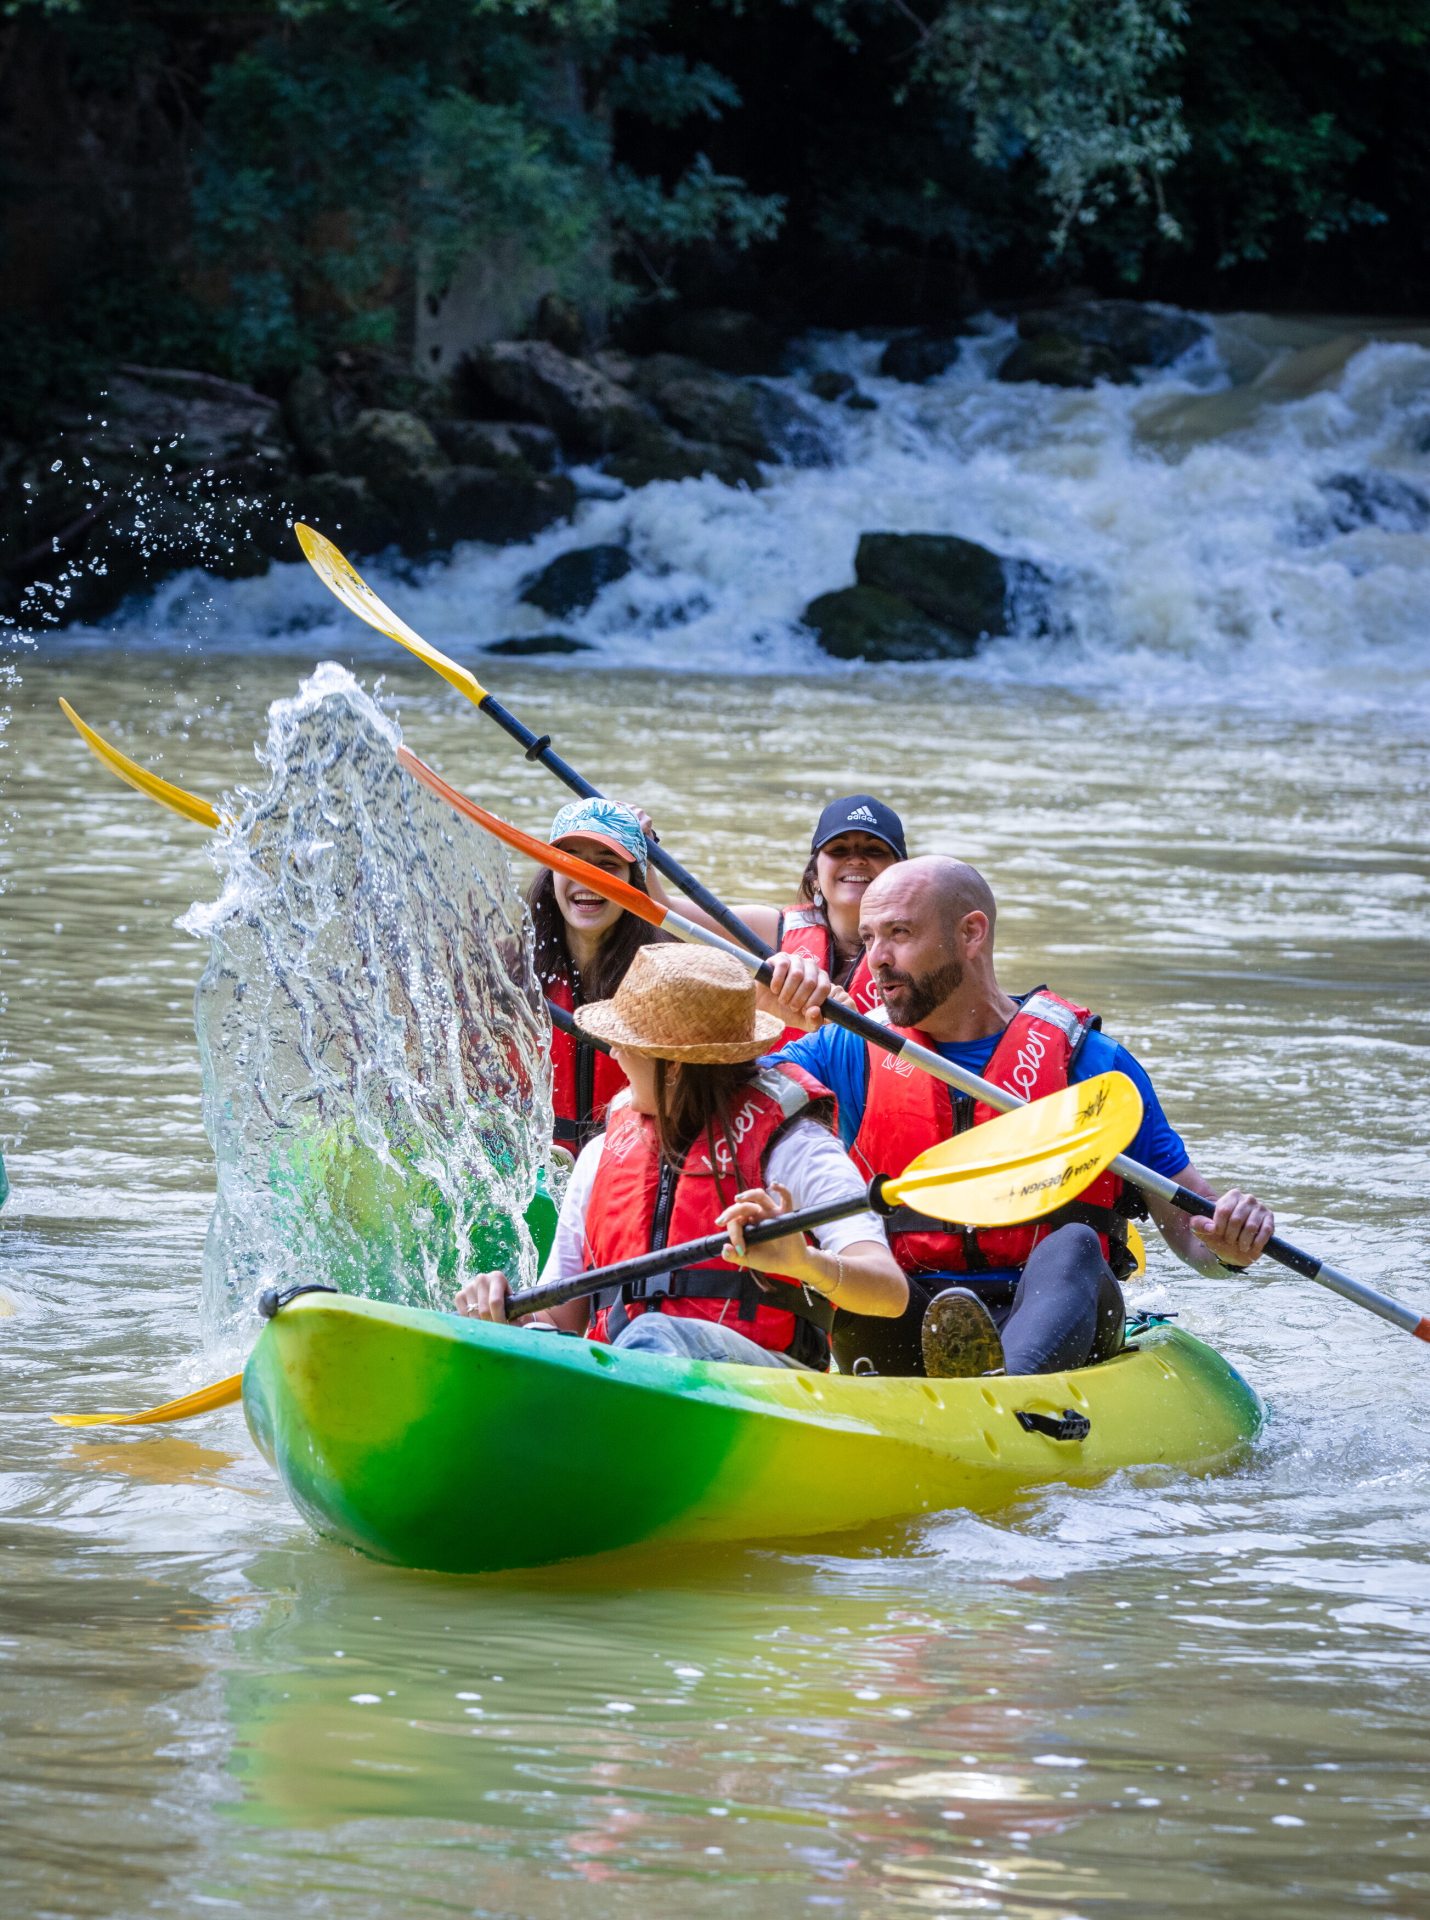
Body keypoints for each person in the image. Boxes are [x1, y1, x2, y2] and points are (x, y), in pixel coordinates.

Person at [762, 856, 1275, 1379]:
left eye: (899, 933)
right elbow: (716, 1094)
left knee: (1073, 1244)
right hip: (908, 1317)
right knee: (855, 1266)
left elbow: (1192, 1233)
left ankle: (1007, 1391)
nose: (877, 959)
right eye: (868, 938)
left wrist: (1230, 1242)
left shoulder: (1092, 1065)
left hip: (1058, 1319)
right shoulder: (847, 1048)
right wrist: (763, 1010)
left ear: (971, 933)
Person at [456, 945, 907, 1369]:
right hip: (631, 1379)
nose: (614, 1053)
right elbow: (560, 1322)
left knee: (653, 1334)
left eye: (626, 1041)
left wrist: (804, 1263)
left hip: (766, 1389)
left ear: (672, 1066)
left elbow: (889, 1292)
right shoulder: (600, 1155)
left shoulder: (795, 1148)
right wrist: (507, 1318)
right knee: (487, 1344)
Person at [647, 794, 908, 1042]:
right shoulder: (772, 928)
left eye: (874, 850)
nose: (857, 860)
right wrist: (642, 845)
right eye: (838, 850)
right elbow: (668, 920)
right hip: (787, 1084)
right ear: (814, 875)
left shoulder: (920, 943)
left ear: (899, 871)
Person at [530, 797, 670, 1153]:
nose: (587, 878)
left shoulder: (666, 976)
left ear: (633, 884)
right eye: (571, 862)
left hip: (626, 1164)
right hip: (536, 1170)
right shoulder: (510, 967)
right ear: (551, 877)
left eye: (607, 865)